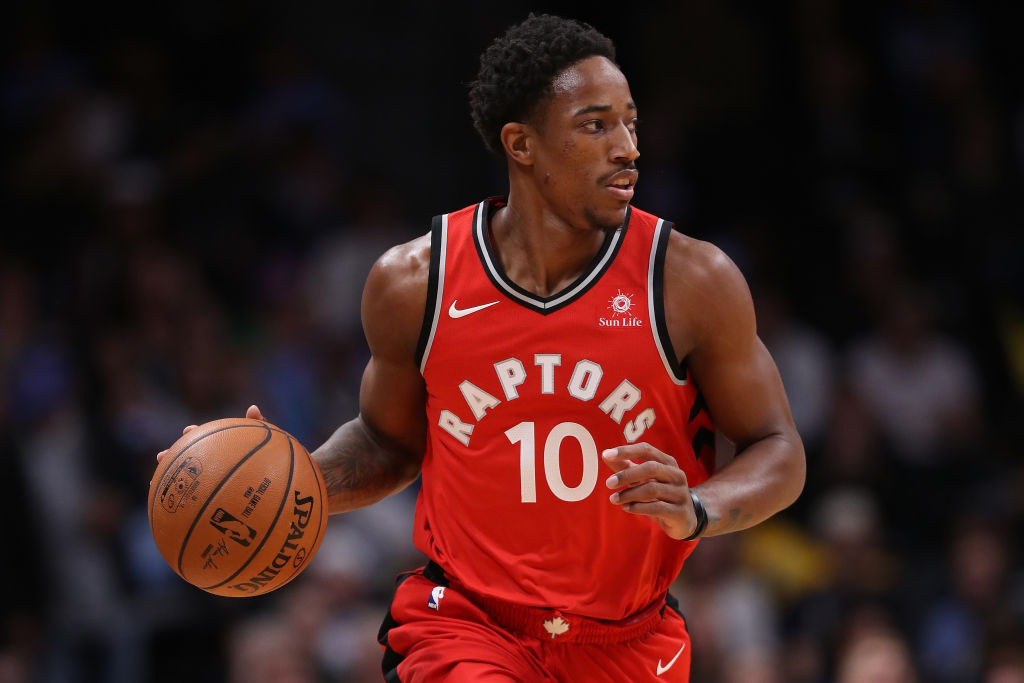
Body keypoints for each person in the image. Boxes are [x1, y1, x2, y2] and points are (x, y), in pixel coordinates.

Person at [159, 13, 805, 681]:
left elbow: (777, 447)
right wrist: (298, 481)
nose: (628, 147)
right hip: (467, 624)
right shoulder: (415, 282)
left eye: (630, 122)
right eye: (596, 124)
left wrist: (698, 508)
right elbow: (389, 441)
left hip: (628, 641)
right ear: (521, 144)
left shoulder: (690, 280)